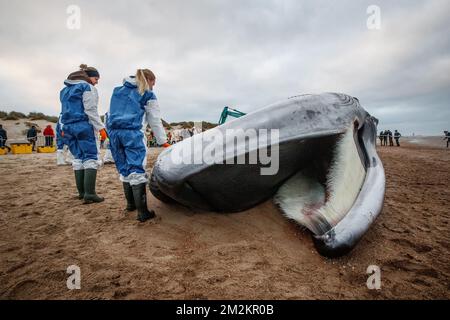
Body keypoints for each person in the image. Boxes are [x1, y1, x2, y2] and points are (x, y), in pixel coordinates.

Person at [106, 69, 170, 222]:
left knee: (125, 169)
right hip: (132, 134)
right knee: (137, 169)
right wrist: (163, 141)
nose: (154, 86)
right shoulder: (147, 94)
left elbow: (108, 113)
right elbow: (155, 120)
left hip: (114, 133)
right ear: (148, 80)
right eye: (153, 82)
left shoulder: (117, 90)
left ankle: (131, 205)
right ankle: (142, 213)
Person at [59, 64, 107, 203]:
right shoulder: (87, 87)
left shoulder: (64, 90)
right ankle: (90, 194)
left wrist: (62, 128)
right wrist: (101, 128)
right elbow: (90, 109)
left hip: (67, 126)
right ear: (88, 77)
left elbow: (62, 111)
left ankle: (82, 193)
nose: (97, 82)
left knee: (78, 158)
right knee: (91, 157)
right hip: (83, 125)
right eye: (96, 78)